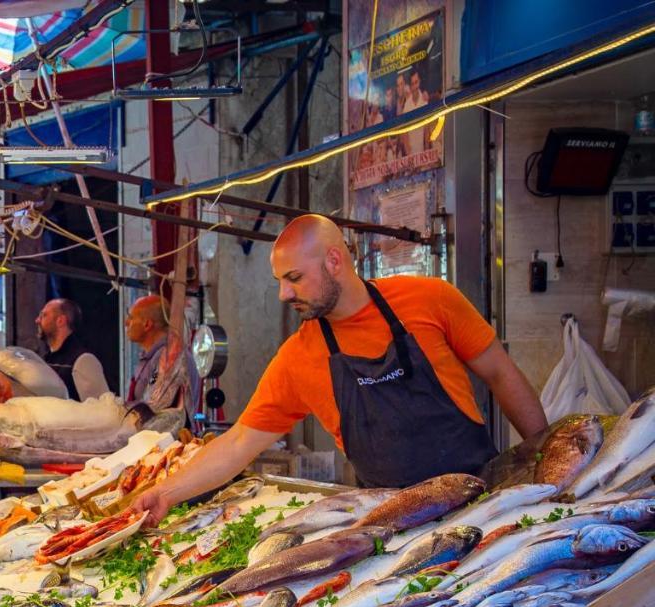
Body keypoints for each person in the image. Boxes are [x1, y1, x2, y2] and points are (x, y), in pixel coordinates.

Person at [135, 215, 548, 525]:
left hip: (485, 506)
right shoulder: (299, 356)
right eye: (280, 280)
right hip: (393, 526)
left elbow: (500, 372)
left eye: (294, 278)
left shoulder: (429, 299)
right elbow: (240, 441)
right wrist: (166, 492)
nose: (284, 293)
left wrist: (544, 458)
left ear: (334, 260)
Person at [124, 295, 200, 424]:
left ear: (147, 324)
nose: (126, 322)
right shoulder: (152, 357)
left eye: (131, 317)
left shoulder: (169, 357)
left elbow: (155, 406)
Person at [35, 298, 110, 401]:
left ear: (60, 321)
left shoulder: (84, 360)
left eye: (44, 315)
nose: (37, 320)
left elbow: (100, 409)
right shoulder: (46, 359)